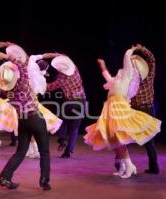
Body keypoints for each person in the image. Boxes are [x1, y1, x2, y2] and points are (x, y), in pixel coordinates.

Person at [84, 47, 161, 178]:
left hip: (119, 106)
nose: (130, 61)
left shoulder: (128, 74)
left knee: (119, 137)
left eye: (132, 61)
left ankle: (130, 166)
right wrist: (102, 66)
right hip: (111, 106)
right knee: (112, 137)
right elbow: (108, 78)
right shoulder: (120, 77)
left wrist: (132, 50)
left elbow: (127, 59)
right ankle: (125, 166)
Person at [0, 42, 52, 190]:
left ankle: (5, 177)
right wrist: (6, 55)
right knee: (44, 151)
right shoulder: (22, 81)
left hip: (22, 121)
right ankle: (44, 180)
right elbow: (22, 63)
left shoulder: (6, 89)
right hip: (36, 118)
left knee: (21, 151)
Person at [46, 53, 86, 158]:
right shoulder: (76, 72)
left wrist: (40, 79)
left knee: (62, 121)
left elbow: (49, 87)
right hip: (81, 102)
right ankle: (68, 151)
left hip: (70, 103)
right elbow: (66, 59)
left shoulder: (60, 80)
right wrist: (57, 54)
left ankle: (62, 138)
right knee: (74, 128)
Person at [130, 44, 160, 174]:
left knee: (149, 140)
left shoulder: (148, 76)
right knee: (124, 135)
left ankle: (154, 167)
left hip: (146, 110)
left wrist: (140, 48)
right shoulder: (132, 79)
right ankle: (125, 165)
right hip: (134, 111)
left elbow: (151, 59)